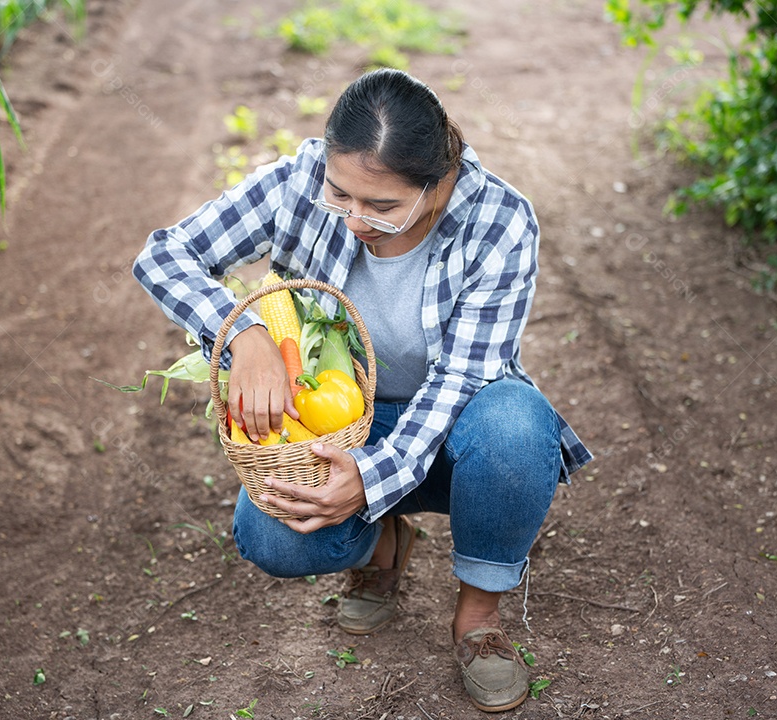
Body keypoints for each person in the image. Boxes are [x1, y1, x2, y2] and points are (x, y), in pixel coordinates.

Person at [133, 68, 592, 713]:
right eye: (340, 195)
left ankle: (479, 619)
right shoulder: (297, 182)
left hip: (456, 430)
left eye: (382, 206)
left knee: (517, 423)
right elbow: (163, 256)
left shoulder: (498, 220)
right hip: (339, 424)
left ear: (440, 183)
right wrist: (246, 334)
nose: (354, 220)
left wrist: (370, 479)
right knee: (272, 538)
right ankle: (384, 546)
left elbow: (463, 376)